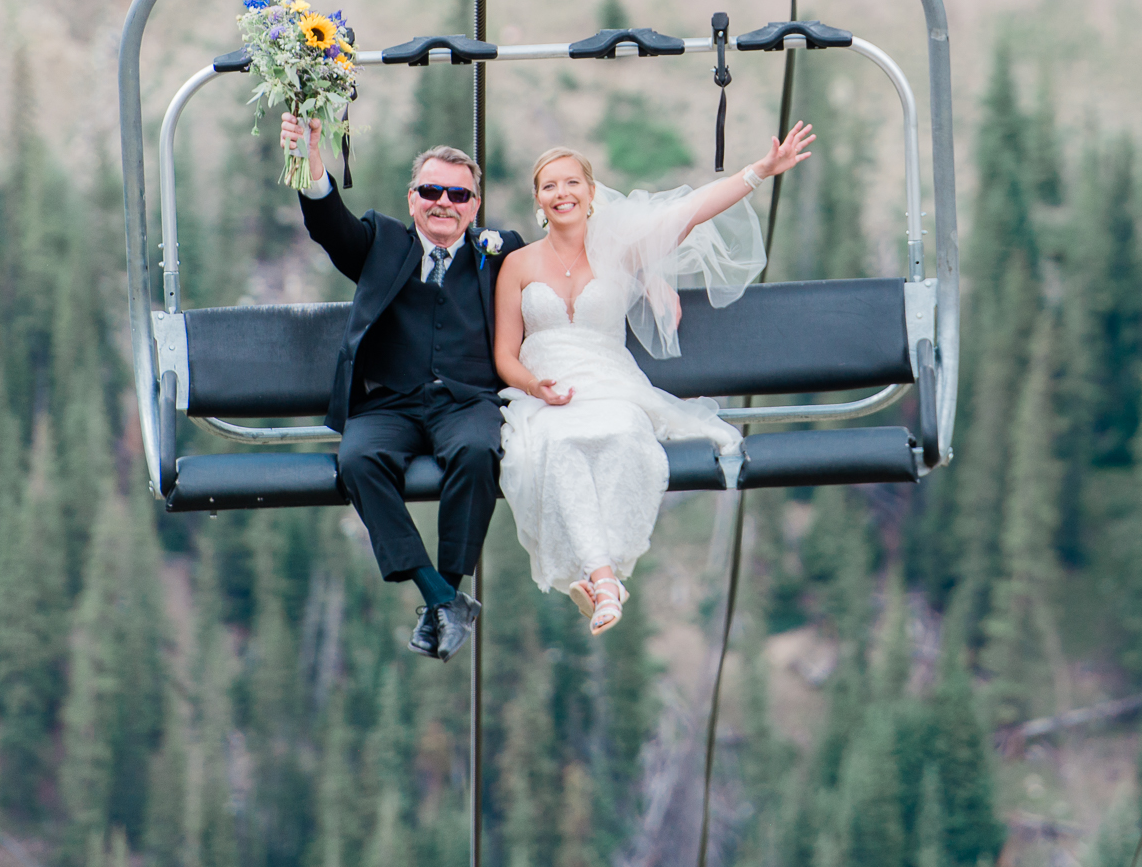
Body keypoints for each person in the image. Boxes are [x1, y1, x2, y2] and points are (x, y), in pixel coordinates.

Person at [492, 123, 816, 634]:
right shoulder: (517, 265)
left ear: (592, 193)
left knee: (624, 433)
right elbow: (505, 355)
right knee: (553, 444)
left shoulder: (619, 251)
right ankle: (605, 581)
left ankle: (599, 574)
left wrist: (758, 173)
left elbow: (687, 212)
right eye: (549, 185)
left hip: (608, 382)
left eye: (572, 182)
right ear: (537, 198)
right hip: (546, 391)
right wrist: (535, 387)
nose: (562, 193)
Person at [280, 112, 563, 662]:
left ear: (474, 206)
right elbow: (328, 222)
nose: (444, 203)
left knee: (480, 451)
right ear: (412, 199)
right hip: (389, 402)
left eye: (458, 195)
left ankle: (447, 591)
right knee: (358, 460)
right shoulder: (382, 243)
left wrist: (647, 286)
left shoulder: (498, 251)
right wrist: (311, 158)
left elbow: (563, 267)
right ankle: (439, 596)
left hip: (466, 400)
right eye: (431, 191)